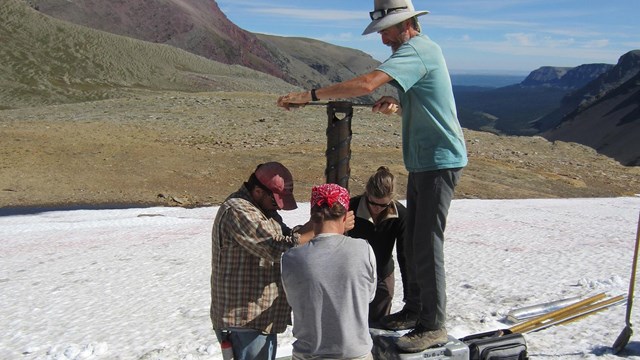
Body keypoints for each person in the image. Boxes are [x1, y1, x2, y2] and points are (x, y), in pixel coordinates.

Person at [276, 0, 468, 353]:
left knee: (427, 242)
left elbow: (366, 84)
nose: (382, 40)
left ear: (404, 24)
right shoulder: (419, 51)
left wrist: (310, 96)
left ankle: (433, 324)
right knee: (413, 242)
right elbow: (421, 97)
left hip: (439, 160)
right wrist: (397, 104)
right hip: (426, 161)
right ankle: (414, 311)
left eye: (386, 31)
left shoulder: (416, 50)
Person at [210, 162, 317, 360]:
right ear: (258, 191)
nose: (279, 208)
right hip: (244, 320)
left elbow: (286, 236)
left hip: (257, 320)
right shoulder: (239, 210)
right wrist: (315, 229)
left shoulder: (264, 210)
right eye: (276, 202)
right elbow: (275, 248)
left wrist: (311, 229)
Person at [281, 183, 377, 360]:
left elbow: (292, 298)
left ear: (312, 217)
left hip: (308, 354)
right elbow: (368, 295)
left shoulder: (290, 257)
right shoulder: (363, 249)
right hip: (355, 353)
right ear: (344, 217)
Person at [347, 166, 407, 326]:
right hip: (353, 274)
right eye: (372, 202)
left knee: (379, 323)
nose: (376, 208)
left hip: (383, 273)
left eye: (383, 205)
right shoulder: (350, 208)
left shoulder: (401, 214)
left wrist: (411, 295)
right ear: (366, 193)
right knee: (352, 322)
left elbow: (405, 255)